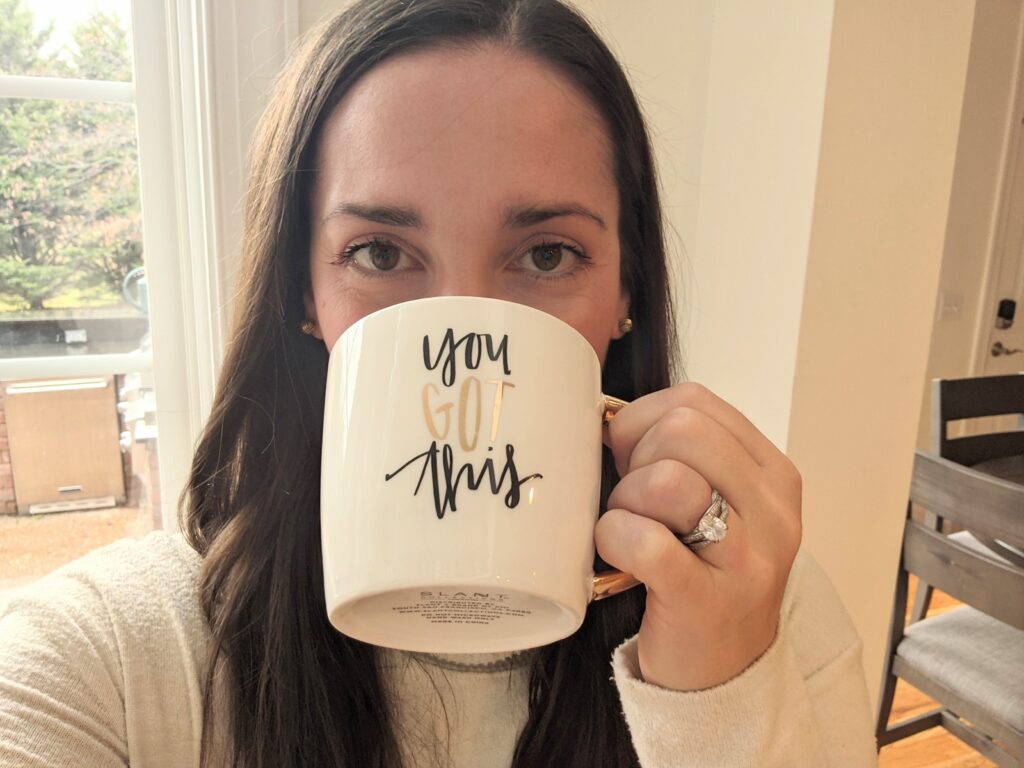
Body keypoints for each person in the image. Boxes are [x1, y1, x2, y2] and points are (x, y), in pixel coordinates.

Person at [0, 0, 880, 766]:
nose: (466, 320)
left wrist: (717, 706)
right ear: (306, 295)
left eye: (547, 254)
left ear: (626, 293)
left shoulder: (764, 614)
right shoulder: (122, 653)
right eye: (379, 253)